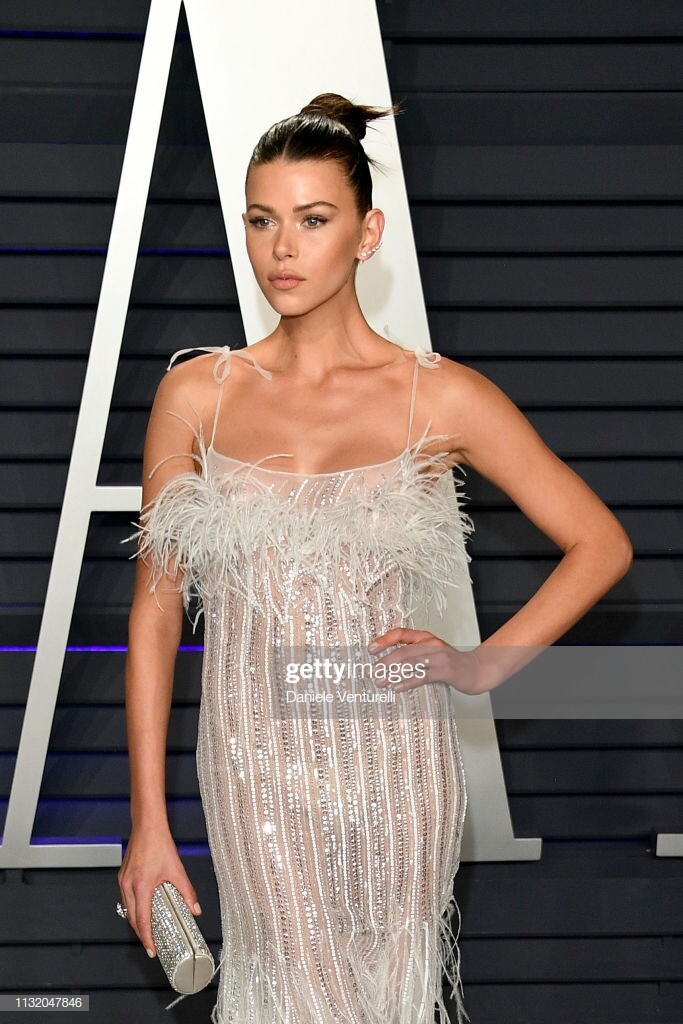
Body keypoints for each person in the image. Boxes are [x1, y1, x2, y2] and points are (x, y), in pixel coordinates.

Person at [117, 93, 633, 1024]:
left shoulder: (438, 396)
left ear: (366, 234)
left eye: (313, 221)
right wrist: (147, 819)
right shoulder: (195, 394)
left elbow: (599, 544)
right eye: (263, 221)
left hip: (398, 763)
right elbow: (156, 610)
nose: (283, 249)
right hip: (252, 763)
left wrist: (481, 665)